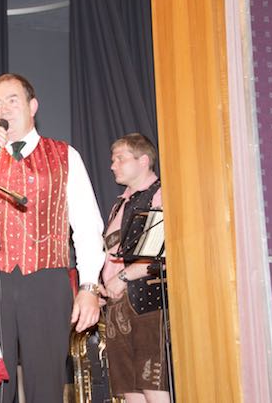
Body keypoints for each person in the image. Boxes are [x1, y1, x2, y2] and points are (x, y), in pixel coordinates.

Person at [0, 73, 105, 402]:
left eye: (12, 100)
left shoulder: (65, 156)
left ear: (33, 106)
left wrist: (89, 287)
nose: (3, 109)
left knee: (46, 385)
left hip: (47, 281)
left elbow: (88, 224)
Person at [99, 133, 170, 402]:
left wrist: (123, 277)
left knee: (153, 384)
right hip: (118, 304)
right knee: (130, 390)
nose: (112, 165)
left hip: (148, 302)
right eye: (112, 159)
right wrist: (102, 287)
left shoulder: (160, 194)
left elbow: (160, 252)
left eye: (120, 158)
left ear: (143, 161)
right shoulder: (120, 204)